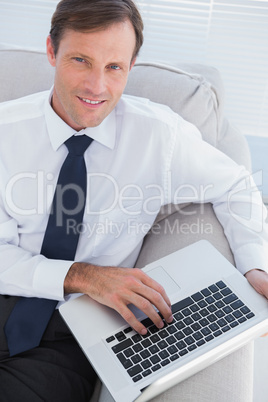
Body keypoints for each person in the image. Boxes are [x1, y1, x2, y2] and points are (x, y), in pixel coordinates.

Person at [0, 0, 267, 401]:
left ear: (131, 65)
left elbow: (236, 185)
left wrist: (255, 266)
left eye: (114, 67)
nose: (96, 87)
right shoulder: (6, 133)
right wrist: (83, 275)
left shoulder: (159, 138)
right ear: (52, 52)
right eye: (81, 60)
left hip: (65, 334)